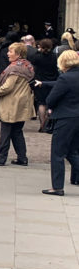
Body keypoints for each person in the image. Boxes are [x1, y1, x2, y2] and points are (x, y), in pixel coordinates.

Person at [0, 42, 34, 166]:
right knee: (17, 132)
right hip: (22, 102)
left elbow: (8, 87)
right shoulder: (27, 66)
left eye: (10, 51)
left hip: (12, 103)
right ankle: (22, 158)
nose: (8, 54)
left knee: (6, 132)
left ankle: (2, 158)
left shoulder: (15, 68)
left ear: (18, 54)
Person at [43, 50, 79, 195]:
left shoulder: (65, 78)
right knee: (71, 151)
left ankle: (57, 187)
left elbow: (51, 99)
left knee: (57, 152)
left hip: (66, 117)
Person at [30, 38, 58, 131]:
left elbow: (32, 60)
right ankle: (48, 123)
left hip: (39, 82)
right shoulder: (55, 56)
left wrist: (38, 51)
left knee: (41, 103)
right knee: (50, 103)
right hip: (52, 81)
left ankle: (42, 124)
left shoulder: (37, 57)